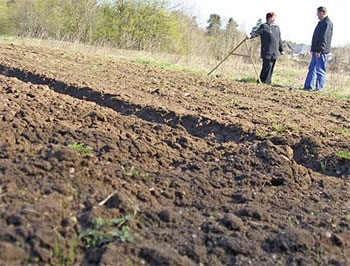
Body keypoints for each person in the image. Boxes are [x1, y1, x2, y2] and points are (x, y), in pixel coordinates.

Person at [247, 12, 283, 85]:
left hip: (275, 51)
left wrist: (281, 49)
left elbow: (279, 39)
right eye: (273, 17)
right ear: (269, 18)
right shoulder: (264, 26)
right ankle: (262, 81)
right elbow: (257, 33)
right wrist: (250, 36)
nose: (274, 19)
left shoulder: (277, 28)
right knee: (266, 67)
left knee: (271, 67)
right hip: (267, 50)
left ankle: (268, 82)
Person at [304, 6, 333, 91]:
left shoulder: (327, 23)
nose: (317, 15)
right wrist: (313, 48)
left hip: (320, 51)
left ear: (322, 12)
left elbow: (324, 38)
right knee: (312, 69)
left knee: (320, 70)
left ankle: (319, 88)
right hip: (315, 50)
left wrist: (320, 50)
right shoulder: (321, 22)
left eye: (318, 13)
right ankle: (308, 87)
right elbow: (316, 37)